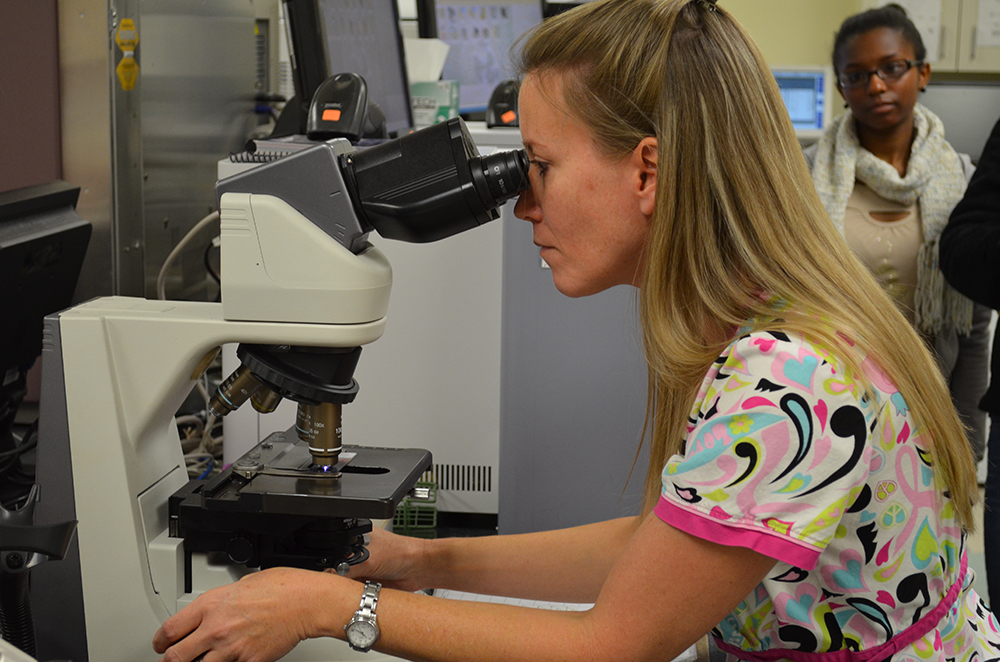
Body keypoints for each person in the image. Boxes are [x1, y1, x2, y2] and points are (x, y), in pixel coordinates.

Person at [153, 0, 1000, 660]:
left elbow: (616, 642)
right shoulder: (752, 315)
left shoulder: (786, 377)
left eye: (542, 166)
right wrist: (422, 563)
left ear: (648, 170)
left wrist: (334, 608)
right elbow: (664, 548)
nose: (521, 202)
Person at [802, 4, 992, 468]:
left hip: (930, 402)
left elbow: (972, 326)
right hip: (827, 400)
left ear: (922, 72)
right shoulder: (805, 177)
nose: (876, 86)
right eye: (857, 75)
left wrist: (968, 437)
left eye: (892, 68)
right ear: (842, 88)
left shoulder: (964, 177)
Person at [940, 115, 1000, 605]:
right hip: (846, 402)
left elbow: (974, 331)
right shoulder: (814, 174)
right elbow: (964, 247)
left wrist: (969, 444)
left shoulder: (950, 170)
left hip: (945, 406)